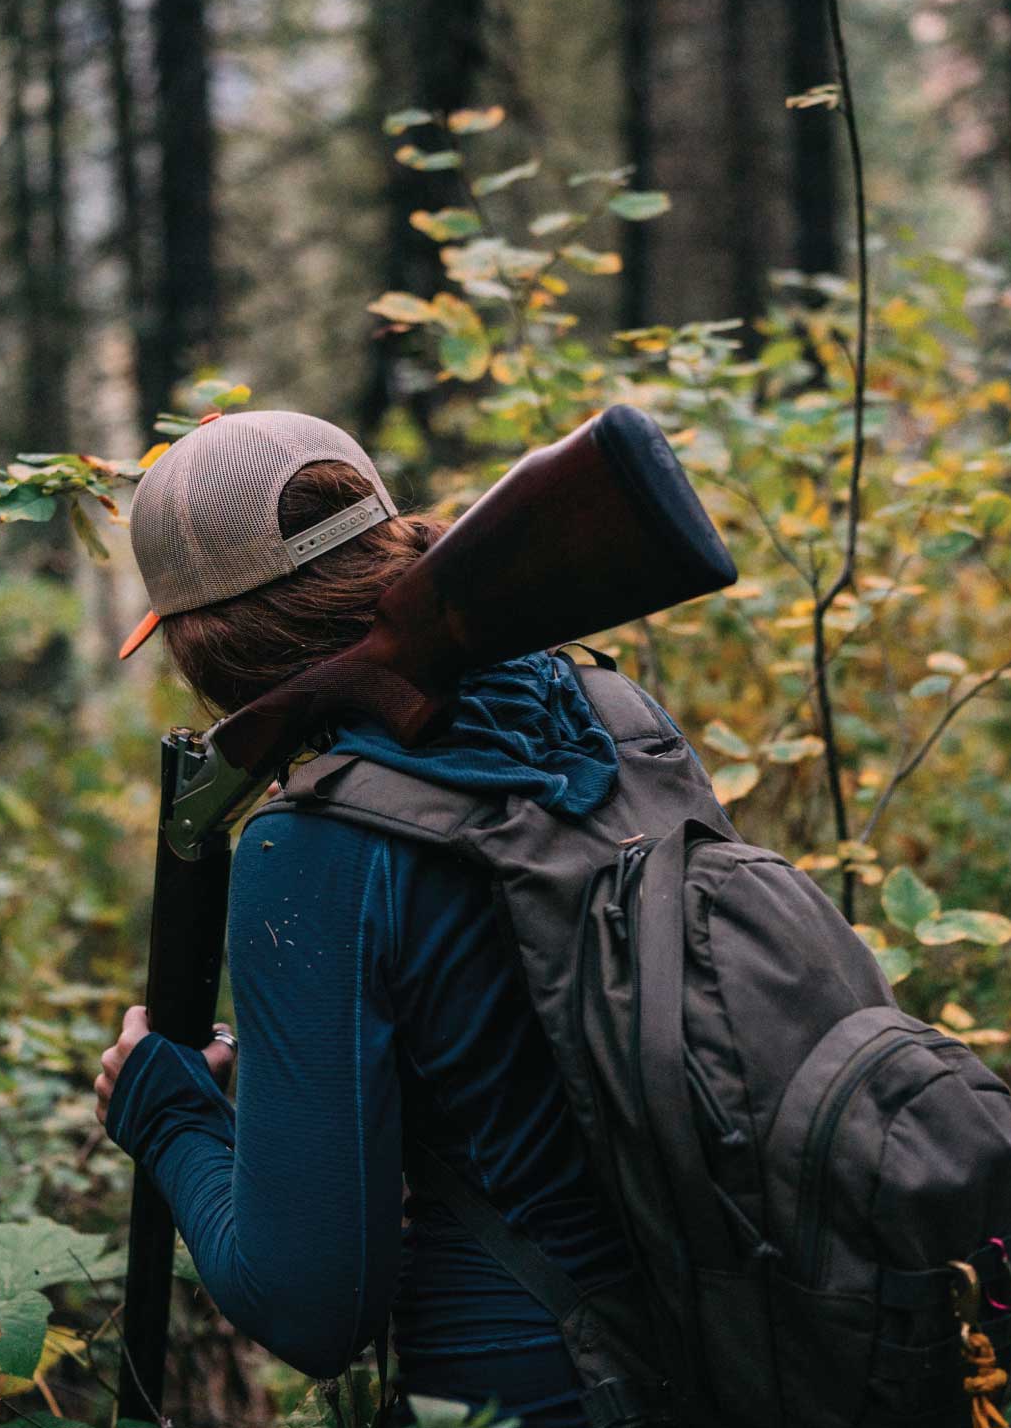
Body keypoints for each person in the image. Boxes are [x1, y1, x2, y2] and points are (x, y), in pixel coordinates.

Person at [94, 410, 642, 1427]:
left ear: (208, 645)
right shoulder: (607, 712)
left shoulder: (309, 849)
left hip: (525, 1396)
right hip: (735, 1349)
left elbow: (310, 1309)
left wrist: (165, 1114)